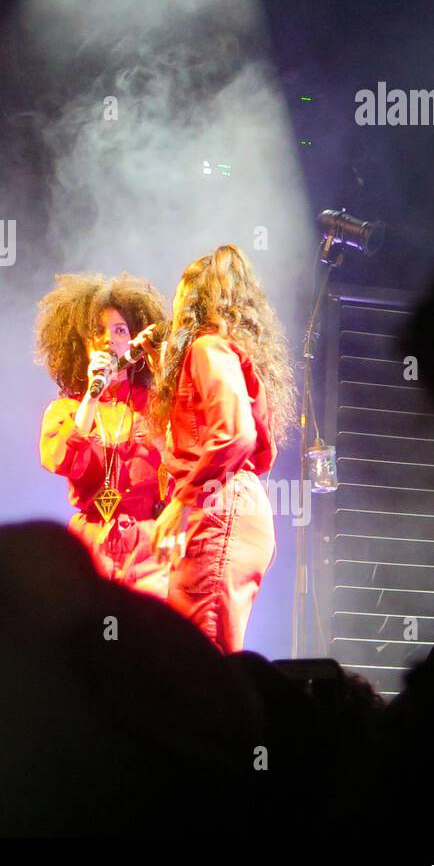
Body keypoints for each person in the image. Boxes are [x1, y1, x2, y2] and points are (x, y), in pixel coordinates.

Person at [149, 245, 295, 652]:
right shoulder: (229, 349)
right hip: (234, 501)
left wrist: (182, 503)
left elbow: (235, 435)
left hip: (219, 505)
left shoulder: (207, 347)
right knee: (203, 652)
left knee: (201, 656)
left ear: (192, 297)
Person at [35, 272, 170, 598]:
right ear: (80, 345)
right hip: (89, 546)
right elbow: (61, 460)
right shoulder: (65, 410)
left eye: (120, 330)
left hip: (150, 546)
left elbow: (180, 462)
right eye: (98, 332)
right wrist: (92, 394)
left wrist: (163, 367)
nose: (109, 339)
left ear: (132, 339)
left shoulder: (154, 405)